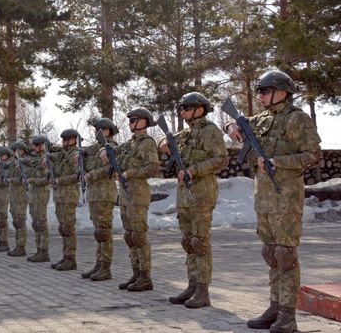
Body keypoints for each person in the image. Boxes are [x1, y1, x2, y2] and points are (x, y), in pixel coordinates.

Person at [226, 70, 321, 332]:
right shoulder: (262, 120)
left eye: (264, 91)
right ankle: (274, 307)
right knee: (270, 253)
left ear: (281, 92)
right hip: (264, 198)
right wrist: (231, 128)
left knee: (285, 254)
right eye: (259, 91)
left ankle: (288, 316)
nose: (260, 96)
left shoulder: (297, 119)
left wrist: (278, 162)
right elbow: (232, 124)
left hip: (286, 197)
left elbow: (312, 155)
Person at [159, 92, 228, 308]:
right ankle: (192, 285)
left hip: (201, 193)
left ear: (200, 109)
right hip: (185, 195)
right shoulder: (185, 134)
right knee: (188, 242)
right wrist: (163, 142)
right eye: (182, 108)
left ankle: (202, 291)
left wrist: (195, 169)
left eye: (186, 107)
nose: (183, 112)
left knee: (200, 242)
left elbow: (221, 158)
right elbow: (165, 142)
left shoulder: (210, 131)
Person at [115, 108, 160, 292]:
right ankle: (136, 273)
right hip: (126, 195)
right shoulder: (129, 144)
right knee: (130, 236)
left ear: (144, 121)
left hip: (138, 194)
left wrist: (131, 173)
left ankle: (145, 276)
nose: (130, 122)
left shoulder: (147, 143)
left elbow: (153, 168)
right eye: (130, 120)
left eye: (134, 119)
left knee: (139, 236)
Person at [80, 118, 119, 281]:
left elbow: (109, 168)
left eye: (100, 129)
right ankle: (99, 263)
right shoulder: (94, 149)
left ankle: (105, 267)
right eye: (96, 130)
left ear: (108, 131)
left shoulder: (112, 147)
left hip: (104, 193)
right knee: (98, 232)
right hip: (94, 194)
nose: (97, 133)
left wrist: (91, 175)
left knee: (104, 231)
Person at [50, 129, 81, 271]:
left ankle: (71, 258)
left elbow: (77, 176)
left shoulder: (76, 154)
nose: (64, 142)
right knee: (63, 227)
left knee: (68, 227)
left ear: (75, 139)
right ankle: (65, 255)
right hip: (59, 195)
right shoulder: (62, 155)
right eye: (63, 139)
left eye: (68, 139)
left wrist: (59, 180)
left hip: (69, 195)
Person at [25, 136, 51, 263]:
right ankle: (39, 250)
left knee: (41, 223)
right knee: (36, 223)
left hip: (41, 194)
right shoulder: (38, 159)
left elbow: (47, 179)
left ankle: (44, 251)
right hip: (34, 194)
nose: (34, 148)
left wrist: (32, 180)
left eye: (36, 145)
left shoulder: (47, 158)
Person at [7, 141, 30, 257]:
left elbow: (23, 178)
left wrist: (11, 180)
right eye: (14, 151)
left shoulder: (26, 162)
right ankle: (17, 245)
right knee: (16, 221)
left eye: (17, 150)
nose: (15, 153)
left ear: (22, 151)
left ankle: (22, 246)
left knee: (20, 221)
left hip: (20, 195)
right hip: (13, 195)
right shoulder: (14, 163)